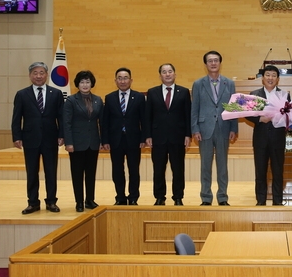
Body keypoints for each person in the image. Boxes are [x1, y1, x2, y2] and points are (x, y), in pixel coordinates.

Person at [11, 62, 64, 214]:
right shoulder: (22, 94)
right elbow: (16, 118)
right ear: (30, 76)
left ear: (47, 75)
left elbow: (61, 117)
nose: (39, 76)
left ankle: (51, 202)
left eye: (41, 72)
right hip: (30, 139)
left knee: (51, 171)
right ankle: (33, 202)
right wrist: (17, 136)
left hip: (50, 139)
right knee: (32, 172)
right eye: (35, 73)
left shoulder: (56, 93)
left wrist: (62, 135)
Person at [191, 51, 237, 206]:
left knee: (222, 166)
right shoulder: (198, 84)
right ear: (206, 64)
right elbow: (194, 108)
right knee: (205, 165)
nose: (213, 63)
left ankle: (223, 197)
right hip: (204, 130)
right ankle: (206, 197)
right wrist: (195, 129)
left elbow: (233, 107)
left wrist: (234, 128)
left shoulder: (229, 83)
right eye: (210, 61)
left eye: (216, 60)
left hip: (224, 127)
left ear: (220, 63)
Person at [145, 63, 191, 206]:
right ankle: (159, 197)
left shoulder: (183, 92)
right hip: (158, 138)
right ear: (160, 76)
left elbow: (187, 115)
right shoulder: (152, 92)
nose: (167, 74)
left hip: (178, 137)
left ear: (175, 74)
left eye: (170, 71)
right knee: (158, 169)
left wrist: (188, 135)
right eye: (164, 72)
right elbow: (148, 116)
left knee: (178, 169)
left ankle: (178, 197)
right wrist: (148, 135)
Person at [101, 67, 146, 206]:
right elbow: (105, 121)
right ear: (115, 81)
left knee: (134, 170)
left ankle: (133, 197)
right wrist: (105, 140)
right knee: (117, 170)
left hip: (134, 140)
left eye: (125, 78)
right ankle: (120, 196)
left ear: (131, 80)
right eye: (119, 78)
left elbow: (144, 120)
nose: (123, 81)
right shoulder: (109, 98)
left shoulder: (139, 97)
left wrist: (144, 138)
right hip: (115, 140)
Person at [246, 65, 288, 206]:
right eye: (267, 75)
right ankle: (260, 201)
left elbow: (288, 116)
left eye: (273, 75)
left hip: (278, 139)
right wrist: (259, 119)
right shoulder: (254, 94)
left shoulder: (284, 95)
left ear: (278, 79)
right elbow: (247, 114)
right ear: (262, 78)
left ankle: (277, 202)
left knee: (278, 173)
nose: (270, 78)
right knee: (260, 173)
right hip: (260, 139)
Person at [63, 70, 103, 212]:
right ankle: (79, 201)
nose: (85, 85)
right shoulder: (71, 100)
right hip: (76, 143)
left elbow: (102, 122)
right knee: (77, 173)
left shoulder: (98, 99)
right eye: (82, 82)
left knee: (91, 173)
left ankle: (90, 200)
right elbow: (66, 123)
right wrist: (69, 143)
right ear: (77, 84)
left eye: (87, 82)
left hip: (93, 142)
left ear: (92, 84)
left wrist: (103, 141)